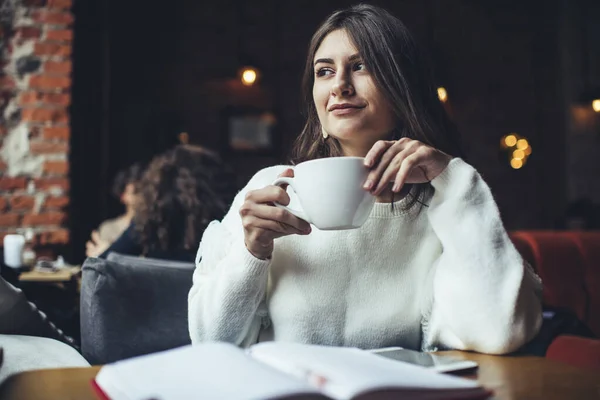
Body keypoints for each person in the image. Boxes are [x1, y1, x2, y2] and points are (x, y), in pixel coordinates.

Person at [188, 4, 542, 354]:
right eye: (324, 71)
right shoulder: (271, 191)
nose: (339, 86)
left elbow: (502, 332)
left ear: (401, 87)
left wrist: (454, 179)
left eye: (360, 67)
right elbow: (211, 344)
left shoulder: (442, 209)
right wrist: (251, 252)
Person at [94, 145, 237, 262]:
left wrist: (110, 254)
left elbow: (102, 264)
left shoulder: (148, 223)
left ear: (157, 188)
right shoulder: (225, 225)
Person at [86, 163, 143, 257]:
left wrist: (111, 253)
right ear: (123, 195)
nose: (142, 197)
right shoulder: (109, 229)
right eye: (136, 192)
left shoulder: (154, 229)